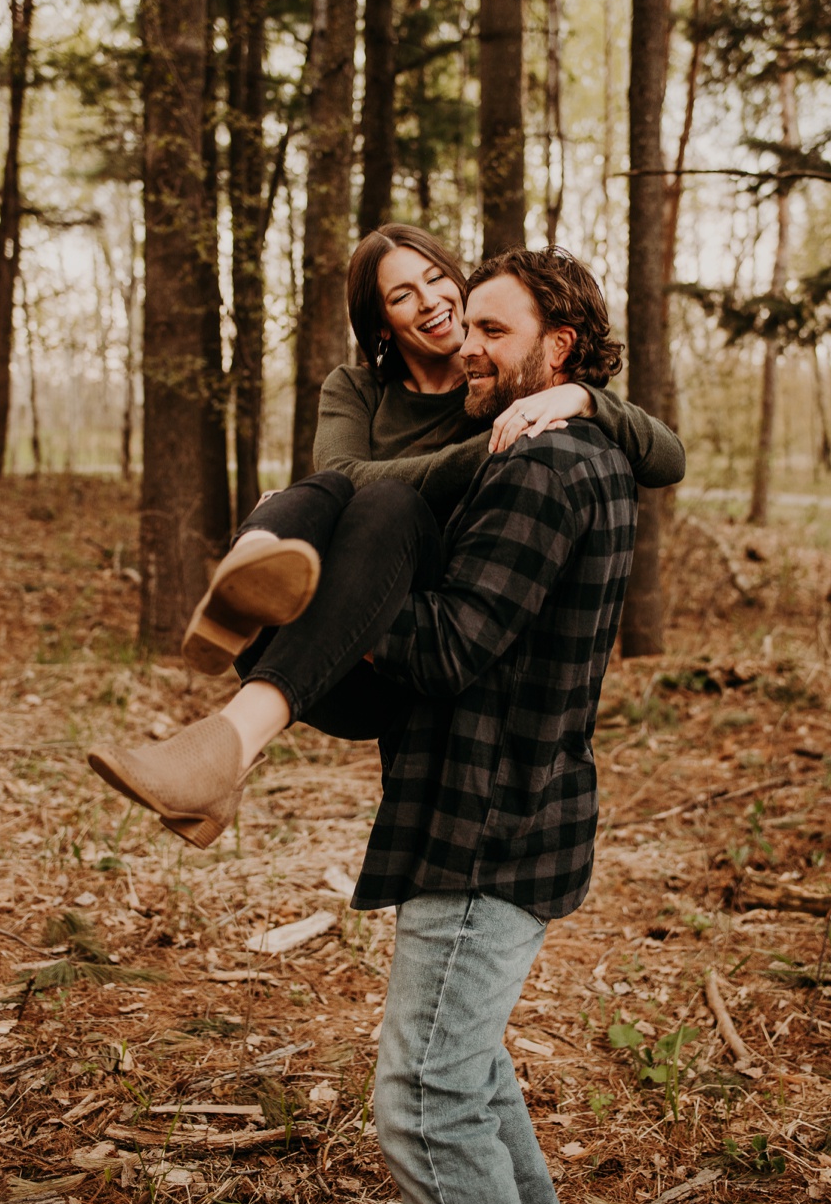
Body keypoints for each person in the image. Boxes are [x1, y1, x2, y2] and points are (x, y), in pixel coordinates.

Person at [88, 224, 680, 846]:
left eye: (435, 278)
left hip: (393, 660)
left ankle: (223, 750)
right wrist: (492, 442)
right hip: (312, 644)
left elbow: (667, 455)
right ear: (380, 325)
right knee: (329, 490)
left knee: (382, 500)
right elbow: (341, 476)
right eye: (401, 296)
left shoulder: (496, 383)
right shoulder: (366, 389)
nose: (430, 302)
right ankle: (247, 583)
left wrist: (581, 397)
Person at [336, 244, 630, 1204]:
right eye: (473, 326)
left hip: (487, 828)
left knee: (425, 1100)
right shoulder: (581, 451)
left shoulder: (541, 467)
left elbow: (454, 645)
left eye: (495, 331)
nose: (468, 344)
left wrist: (338, 604)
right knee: (470, 1074)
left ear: (561, 350)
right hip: (499, 812)